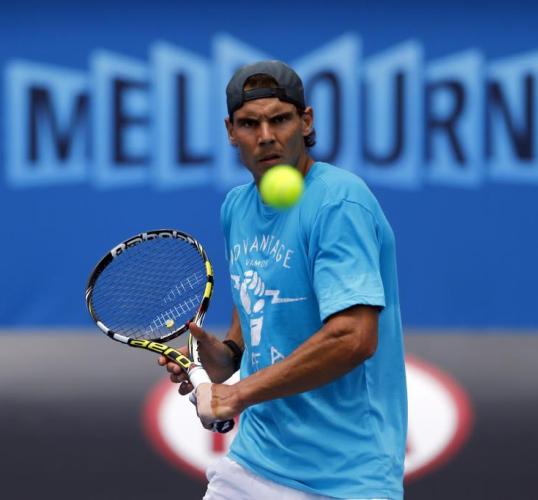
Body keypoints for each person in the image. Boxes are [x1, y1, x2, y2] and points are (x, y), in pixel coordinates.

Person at [158, 60, 407, 500]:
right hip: (252, 463)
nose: (266, 136)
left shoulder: (338, 202)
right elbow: (254, 315)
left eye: (280, 119)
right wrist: (222, 357)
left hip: (344, 480)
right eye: (249, 124)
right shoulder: (237, 207)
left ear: (306, 121)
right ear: (230, 131)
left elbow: (354, 338)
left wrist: (238, 394)